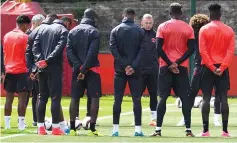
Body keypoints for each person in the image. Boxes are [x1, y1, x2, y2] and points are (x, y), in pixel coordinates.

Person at [151, 3, 195, 137]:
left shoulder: (162, 26)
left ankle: (158, 130)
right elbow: (191, 49)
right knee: (185, 99)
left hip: (165, 67)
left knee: (162, 98)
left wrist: (170, 63)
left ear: (170, 13)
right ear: (181, 13)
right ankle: (188, 130)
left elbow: (158, 48)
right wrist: (177, 63)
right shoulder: (188, 28)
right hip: (181, 68)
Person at [176, 14, 221, 127]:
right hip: (204, 66)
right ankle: (214, 119)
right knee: (199, 92)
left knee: (196, 92)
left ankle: (187, 118)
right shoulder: (195, 37)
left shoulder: (207, 35)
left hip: (205, 66)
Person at [198, 3, 235, 137]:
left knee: (206, 98)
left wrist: (212, 67)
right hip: (222, 68)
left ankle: (205, 131)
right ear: (220, 14)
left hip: (207, 68)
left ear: (210, 15)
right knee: (224, 99)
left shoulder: (204, 29)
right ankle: (225, 131)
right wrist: (222, 67)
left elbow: (203, 51)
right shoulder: (229, 30)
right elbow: (231, 52)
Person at [110, 8, 146, 137]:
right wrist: (133, 66)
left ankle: (115, 129)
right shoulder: (140, 31)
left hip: (119, 70)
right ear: (134, 16)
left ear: (123, 15)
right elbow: (142, 51)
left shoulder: (115, 30)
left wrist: (124, 65)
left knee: (117, 99)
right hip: (135, 71)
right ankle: (137, 129)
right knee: (136, 99)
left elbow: (113, 50)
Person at [66, 8, 103, 136]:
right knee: (94, 97)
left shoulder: (72, 31)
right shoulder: (94, 32)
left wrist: (78, 67)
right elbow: (92, 53)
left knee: (74, 98)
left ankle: (72, 128)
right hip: (92, 69)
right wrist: (85, 69)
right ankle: (92, 128)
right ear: (93, 18)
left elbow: (69, 51)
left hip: (77, 70)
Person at [33, 16, 72, 135]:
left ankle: (40, 127)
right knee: (55, 97)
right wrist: (48, 60)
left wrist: (40, 60)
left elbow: (35, 47)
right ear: (64, 22)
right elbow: (59, 48)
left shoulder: (41, 29)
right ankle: (55, 127)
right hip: (54, 67)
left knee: (42, 96)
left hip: (41, 67)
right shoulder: (63, 30)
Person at [3, 15, 31, 130]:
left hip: (9, 70)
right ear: (25, 24)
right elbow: (28, 55)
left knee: (8, 99)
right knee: (22, 99)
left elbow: (4, 53)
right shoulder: (25, 37)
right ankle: (21, 125)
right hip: (22, 71)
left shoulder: (6, 36)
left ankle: (7, 125)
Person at [25, 14, 45, 127]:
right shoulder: (34, 34)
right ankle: (35, 118)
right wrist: (33, 69)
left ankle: (33, 118)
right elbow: (30, 54)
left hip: (29, 68)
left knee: (33, 93)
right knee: (33, 93)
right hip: (32, 68)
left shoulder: (28, 34)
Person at [140, 14, 158, 126]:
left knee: (153, 93)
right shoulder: (137, 34)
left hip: (153, 69)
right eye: (146, 23)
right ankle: (137, 118)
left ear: (153, 23)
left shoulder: (156, 35)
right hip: (140, 69)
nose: (148, 25)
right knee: (137, 94)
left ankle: (154, 119)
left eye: (150, 23)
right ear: (142, 22)